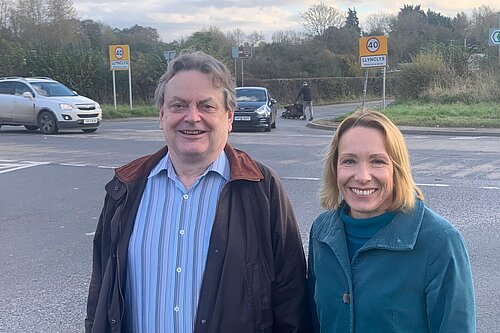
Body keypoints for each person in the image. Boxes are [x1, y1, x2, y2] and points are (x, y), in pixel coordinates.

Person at [85, 51, 311, 333]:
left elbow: (291, 300)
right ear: (162, 115)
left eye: (206, 106)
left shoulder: (261, 188)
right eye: (179, 105)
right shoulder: (126, 188)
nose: (192, 117)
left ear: (229, 117)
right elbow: (101, 293)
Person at [308, 110, 476, 332]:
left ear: (397, 169)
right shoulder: (321, 232)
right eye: (349, 161)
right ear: (334, 168)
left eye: (377, 161)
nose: (363, 176)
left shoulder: (440, 242)